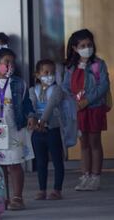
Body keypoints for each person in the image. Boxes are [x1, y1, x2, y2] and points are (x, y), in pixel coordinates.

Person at [0, 48, 36, 210]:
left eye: (12, 62)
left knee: (14, 163)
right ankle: (2, 197)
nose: (10, 65)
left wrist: (31, 116)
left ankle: (17, 197)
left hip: (13, 129)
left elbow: (26, 103)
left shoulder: (20, 84)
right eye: (6, 62)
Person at [62, 29, 110, 191]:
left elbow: (103, 86)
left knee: (95, 142)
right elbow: (65, 87)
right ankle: (85, 176)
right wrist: (72, 102)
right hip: (78, 111)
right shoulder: (70, 67)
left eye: (89, 44)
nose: (87, 48)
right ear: (75, 48)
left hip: (94, 109)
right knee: (83, 144)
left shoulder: (98, 64)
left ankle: (96, 176)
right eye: (83, 45)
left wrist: (87, 100)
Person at [29, 59, 65, 200]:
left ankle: (57, 189)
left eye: (52, 73)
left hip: (52, 130)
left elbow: (51, 105)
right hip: (37, 131)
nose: (50, 75)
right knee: (41, 162)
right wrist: (33, 120)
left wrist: (42, 121)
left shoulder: (57, 89)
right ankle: (42, 189)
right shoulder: (33, 90)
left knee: (57, 160)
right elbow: (31, 105)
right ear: (37, 75)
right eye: (46, 72)